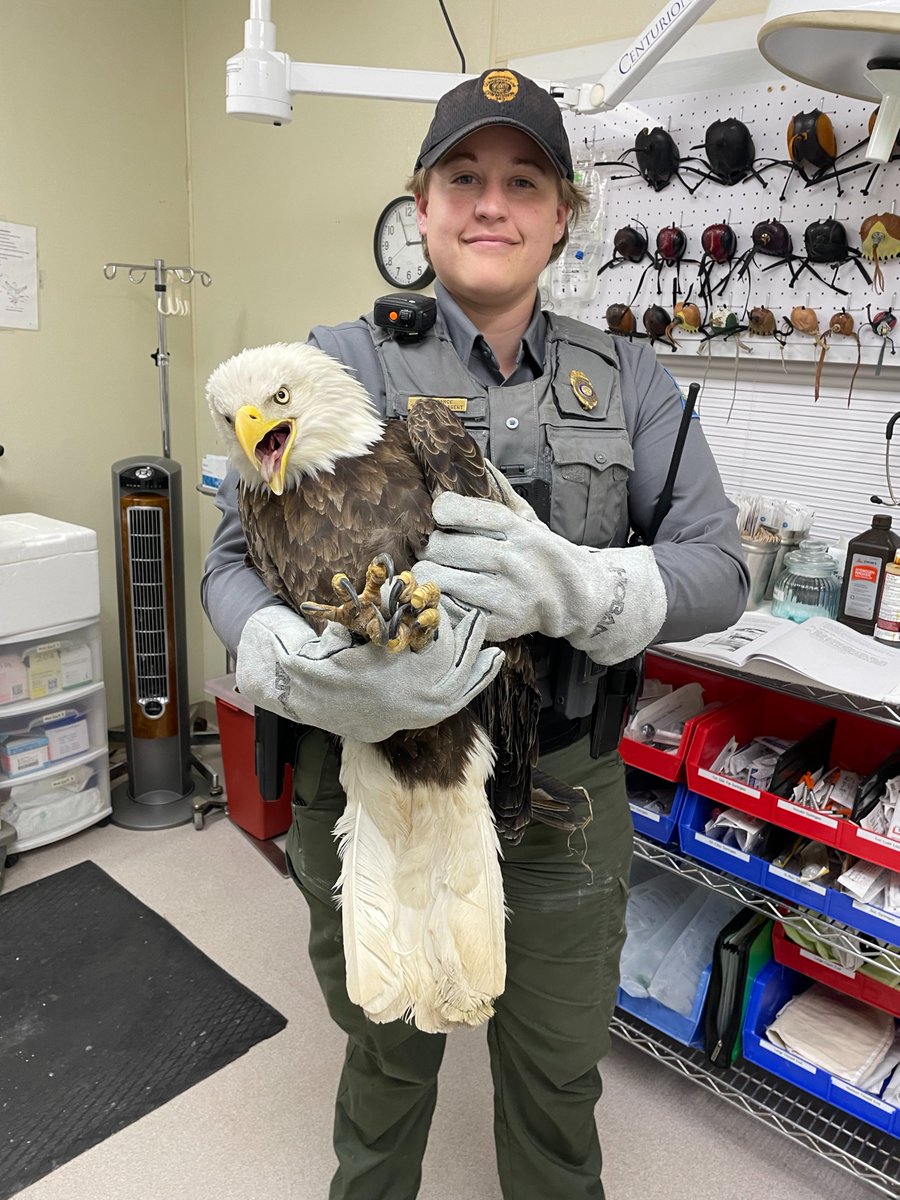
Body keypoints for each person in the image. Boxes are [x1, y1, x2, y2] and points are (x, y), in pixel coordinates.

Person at [202, 67, 749, 1200]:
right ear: (423, 204)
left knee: (555, 1085)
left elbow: (719, 569)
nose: (489, 203)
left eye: (522, 181)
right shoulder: (336, 364)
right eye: (463, 177)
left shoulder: (631, 378)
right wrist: (287, 665)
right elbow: (227, 561)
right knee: (386, 1063)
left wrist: (585, 592)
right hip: (375, 787)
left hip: (562, 794)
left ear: (561, 216)